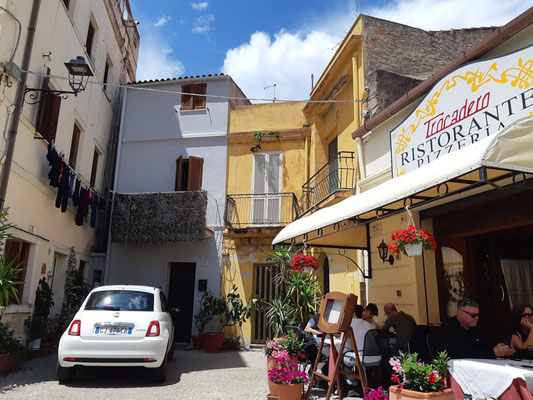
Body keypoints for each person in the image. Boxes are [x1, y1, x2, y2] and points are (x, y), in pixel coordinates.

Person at [440, 298, 515, 359]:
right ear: (460, 313)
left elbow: (490, 342)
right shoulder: (448, 329)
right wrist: (493, 352)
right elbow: (460, 353)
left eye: (478, 315)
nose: (477, 318)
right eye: (473, 315)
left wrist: (504, 348)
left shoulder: (477, 327)